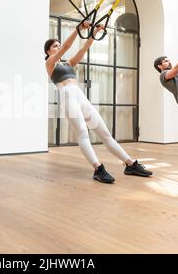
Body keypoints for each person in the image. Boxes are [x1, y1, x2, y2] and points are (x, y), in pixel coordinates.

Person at [44, 22, 152, 184]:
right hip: (67, 99)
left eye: (57, 45)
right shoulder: (50, 63)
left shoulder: (68, 64)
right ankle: (98, 168)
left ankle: (130, 164)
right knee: (83, 133)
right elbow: (66, 46)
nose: (58, 47)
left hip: (80, 97)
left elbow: (83, 50)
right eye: (54, 46)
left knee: (105, 134)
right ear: (48, 51)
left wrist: (94, 32)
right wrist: (78, 29)